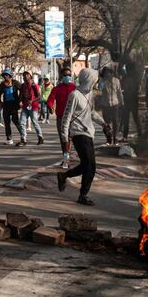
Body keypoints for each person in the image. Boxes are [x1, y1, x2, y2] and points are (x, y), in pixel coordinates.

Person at [56, 68, 109, 206]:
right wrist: (65, 139)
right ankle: (83, 195)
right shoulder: (74, 95)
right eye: (94, 81)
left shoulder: (90, 94)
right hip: (78, 134)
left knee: (86, 165)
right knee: (91, 165)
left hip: (89, 133)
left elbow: (91, 113)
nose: (95, 83)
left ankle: (64, 175)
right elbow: (66, 118)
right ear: (88, 80)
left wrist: (103, 123)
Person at [48, 66, 76, 168]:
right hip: (61, 117)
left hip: (72, 117)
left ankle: (67, 158)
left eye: (69, 75)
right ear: (61, 76)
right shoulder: (57, 88)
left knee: (70, 138)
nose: (67, 77)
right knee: (63, 138)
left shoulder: (75, 88)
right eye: (65, 75)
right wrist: (50, 106)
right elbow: (50, 99)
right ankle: (66, 158)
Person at [17, 71, 43, 146]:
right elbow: (21, 94)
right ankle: (23, 139)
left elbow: (39, 97)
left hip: (33, 106)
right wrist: (20, 101)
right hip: (25, 106)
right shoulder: (23, 85)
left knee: (35, 122)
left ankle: (40, 137)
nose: (25, 77)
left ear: (30, 76)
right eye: (24, 75)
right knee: (22, 123)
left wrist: (32, 100)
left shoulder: (34, 85)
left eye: (27, 75)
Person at [98, 67, 123, 145]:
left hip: (115, 104)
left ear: (111, 73)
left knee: (116, 122)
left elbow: (119, 92)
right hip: (105, 105)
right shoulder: (102, 81)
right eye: (106, 73)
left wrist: (121, 103)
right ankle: (109, 138)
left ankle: (115, 138)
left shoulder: (116, 81)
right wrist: (104, 81)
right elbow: (99, 88)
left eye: (109, 73)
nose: (108, 74)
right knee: (106, 123)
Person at [0, 69, 22, 145]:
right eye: (4, 75)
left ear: (10, 75)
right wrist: (1, 102)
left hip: (14, 105)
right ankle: (9, 138)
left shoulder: (15, 82)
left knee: (16, 121)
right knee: (6, 122)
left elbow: (22, 90)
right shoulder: (2, 84)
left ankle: (23, 136)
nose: (5, 76)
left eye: (7, 75)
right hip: (6, 105)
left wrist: (20, 100)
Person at [120, 60, 142, 140]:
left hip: (128, 99)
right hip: (133, 99)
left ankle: (125, 136)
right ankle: (140, 134)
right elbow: (139, 89)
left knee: (127, 119)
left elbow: (122, 87)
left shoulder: (126, 77)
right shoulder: (136, 77)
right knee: (136, 118)